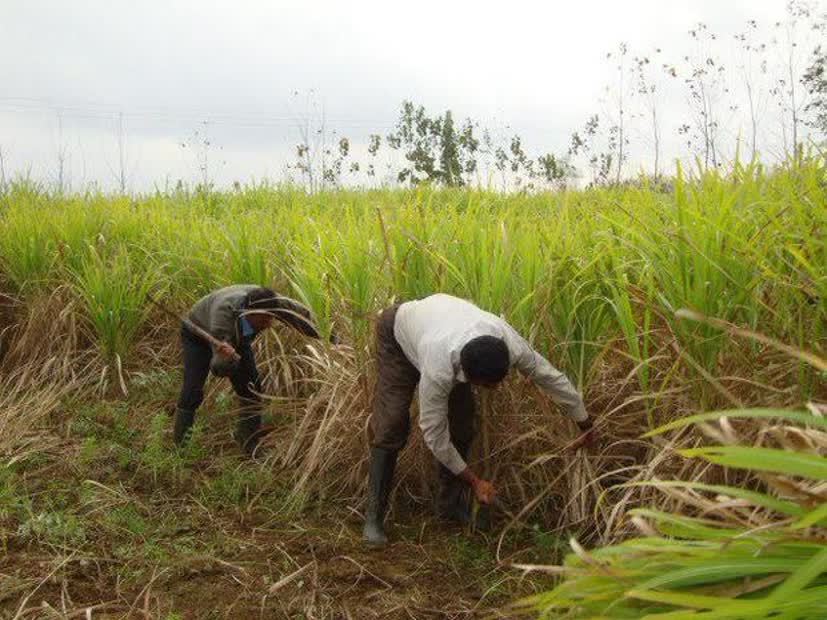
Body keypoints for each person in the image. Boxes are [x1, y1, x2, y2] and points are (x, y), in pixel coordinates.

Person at [363, 293, 594, 545]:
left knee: (462, 425)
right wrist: (475, 481)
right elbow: (433, 432)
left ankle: (449, 506)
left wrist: (584, 421)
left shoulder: (508, 343)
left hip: (438, 326)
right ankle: (373, 518)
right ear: (466, 373)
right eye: (486, 384)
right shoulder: (439, 366)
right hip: (398, 336)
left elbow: (549, 376)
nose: (493, 389)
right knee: (392, 423)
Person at [174, 284, 324, 455]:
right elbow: (218, 368)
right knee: (192, 389)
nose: (269, 324)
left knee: (252, 387)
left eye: (271, 318)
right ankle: (182, 449)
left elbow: (302, 318)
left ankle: (248, 442)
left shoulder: (272, 303)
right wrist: (226, 356)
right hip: (198, 333)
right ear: (249, 313)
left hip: (237, 336)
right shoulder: (223, 319)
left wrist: (331, 337)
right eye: (264, 320)